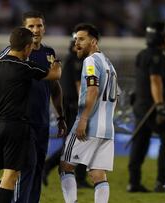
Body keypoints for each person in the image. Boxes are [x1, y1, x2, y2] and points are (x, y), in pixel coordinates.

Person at [0, 27, 62, 203]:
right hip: (18, 127)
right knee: (13, 174)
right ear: (26, 48)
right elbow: (56, 74)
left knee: (9, 172)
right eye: (30, 47)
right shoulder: (24, 66)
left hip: (0, 125)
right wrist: (57, 63)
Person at [0, 11, 67, 203]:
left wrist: (61, 117)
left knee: (37, 168)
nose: (36, 30)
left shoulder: (49, 53)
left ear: (44, 28)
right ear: (23, 29)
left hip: (42, 121)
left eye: (39, 26)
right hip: (20, 122)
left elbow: (55, 88)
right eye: (31, 26)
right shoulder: (14, 51)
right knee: (21, 169)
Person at [59, 23, 118, 203]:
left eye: (82, 39)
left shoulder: (90, 61)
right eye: (76, 39)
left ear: (93, 41)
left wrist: (83, 119)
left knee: (65, 166)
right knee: (98, 174)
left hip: (89, 125)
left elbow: (92, 90)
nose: (77, 43)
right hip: (107, 128)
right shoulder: (109, 64)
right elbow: (117, 95)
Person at [127, 21, 165, 193]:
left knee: (140, 142)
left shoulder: (142, 54)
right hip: (151, 107)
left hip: (140, 105)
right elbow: (155, 80)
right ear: (159, 38)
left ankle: (133, 182)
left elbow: (141, 79)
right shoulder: (158, 57)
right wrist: (160, 105)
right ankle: (161, 181)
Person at [42, 37, 92, 188]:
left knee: (77, 143)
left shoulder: (70, 60)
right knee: (77, 143)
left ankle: (76, 177)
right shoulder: (77, 62)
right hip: (74, 107)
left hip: (70, 106)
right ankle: (50, 168)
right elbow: (79, 86)